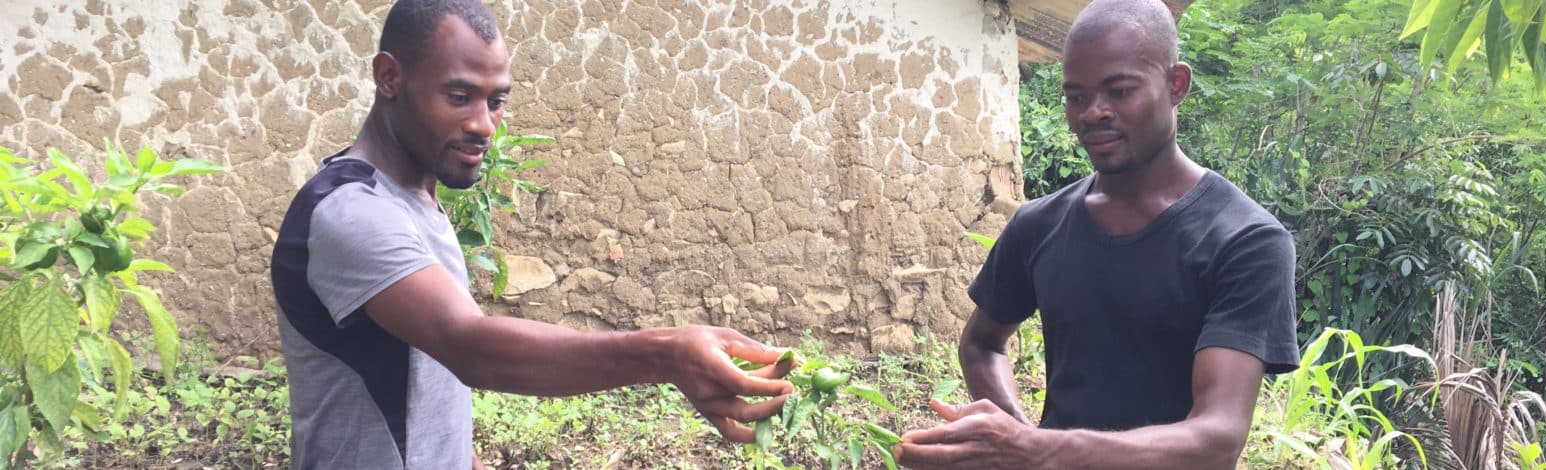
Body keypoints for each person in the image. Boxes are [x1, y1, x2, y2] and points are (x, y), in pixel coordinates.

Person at [268, 1, 792, 468]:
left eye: (496, 101)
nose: (485, 124)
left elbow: (423, 368)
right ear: (389, 78)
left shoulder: (414, 200)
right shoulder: (350, 212)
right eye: (459, 96)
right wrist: (665, 354)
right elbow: (467, 346)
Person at [895, 0, 1299, 468]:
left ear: (1176, 85)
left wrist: (1033, 450)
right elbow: (981, 344)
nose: (1092, 113)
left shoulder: (1245, 240)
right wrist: (1017, 439)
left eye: (1120, 90)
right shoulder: (1039, 225)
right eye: (1076, 97)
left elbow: (1217, 437)